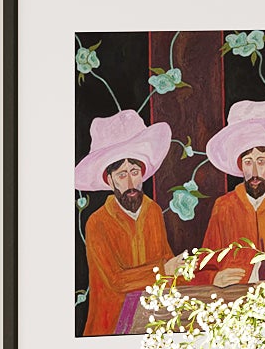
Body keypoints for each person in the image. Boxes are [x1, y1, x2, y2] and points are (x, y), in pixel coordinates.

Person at [74, 108, 184, 336]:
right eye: (122, 175)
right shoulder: (97, 223)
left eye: (135, 171)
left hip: (152, 321)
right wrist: (165, 269)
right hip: (110, 326)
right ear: (109, 179)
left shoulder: (153, 211)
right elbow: (116, 280)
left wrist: (210, 277)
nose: (131, 182)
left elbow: (168, 260)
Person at [192, 99, 265, 290]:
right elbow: (204, 266)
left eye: (261, 161)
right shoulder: (224, 206)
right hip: (232, 300)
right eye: (247, 162)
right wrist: (215, 278)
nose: (254, 171)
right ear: (240, 165)